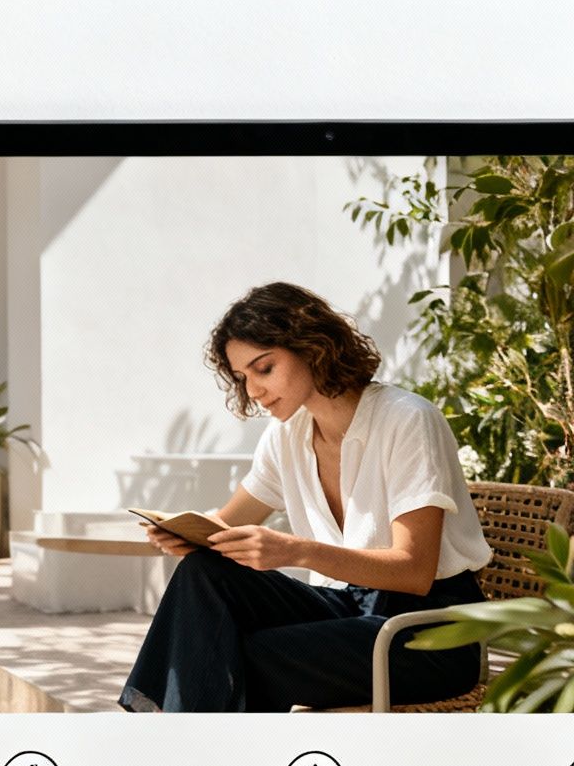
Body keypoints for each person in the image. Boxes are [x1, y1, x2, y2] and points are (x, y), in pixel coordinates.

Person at [119, 281, 493, 712]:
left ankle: (189, 754)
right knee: (205, 569)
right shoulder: (287, 436)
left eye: (264, 368)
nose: (253, 390)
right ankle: (192, 749)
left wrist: (296, 551)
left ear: (311, 346)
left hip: (430, 632)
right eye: (243, 377)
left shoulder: (407, 420)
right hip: (352, 610)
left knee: (240, 655)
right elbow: (228, 522)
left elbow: (415, 570)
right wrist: (188, 534)